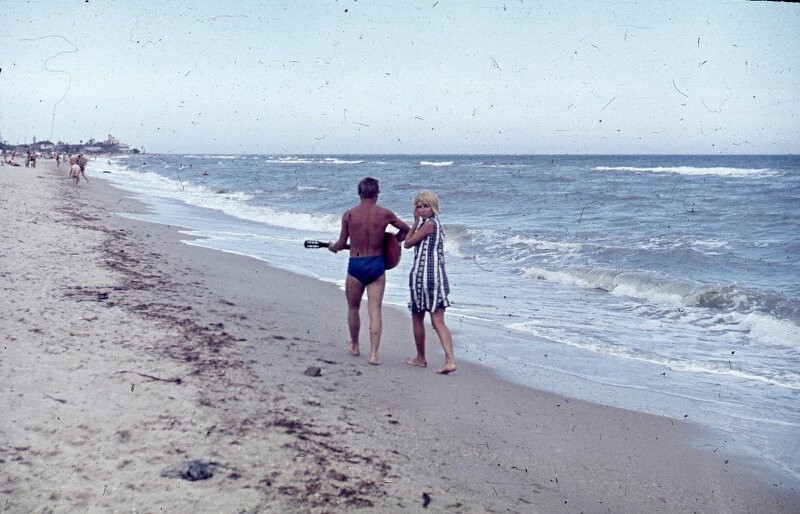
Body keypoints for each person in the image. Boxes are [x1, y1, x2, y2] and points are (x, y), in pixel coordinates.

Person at [328, 177, 410, 365]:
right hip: (376, 266)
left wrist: (333, 247)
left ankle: (355, 345)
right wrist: (392, 242)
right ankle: (374, 355)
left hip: (356, 265)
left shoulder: (348, 215)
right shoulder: (385, 214)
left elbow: (340, 244)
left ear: (359, 193)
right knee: (375, 311)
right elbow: (406, 230)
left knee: (353, 307)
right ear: (377, 194)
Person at [403, 189, 457, 374]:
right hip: (429, 278)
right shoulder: (430, 224)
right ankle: (427, 358)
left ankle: (436, 359)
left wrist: (415, 223)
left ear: (433, 207)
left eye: (426, 206)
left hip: (427, 279)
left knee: (432, 320)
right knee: (426, 319)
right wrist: (416, 222)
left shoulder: (430, 225)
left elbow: (407, 243)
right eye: (419, 206)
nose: (423, 209)